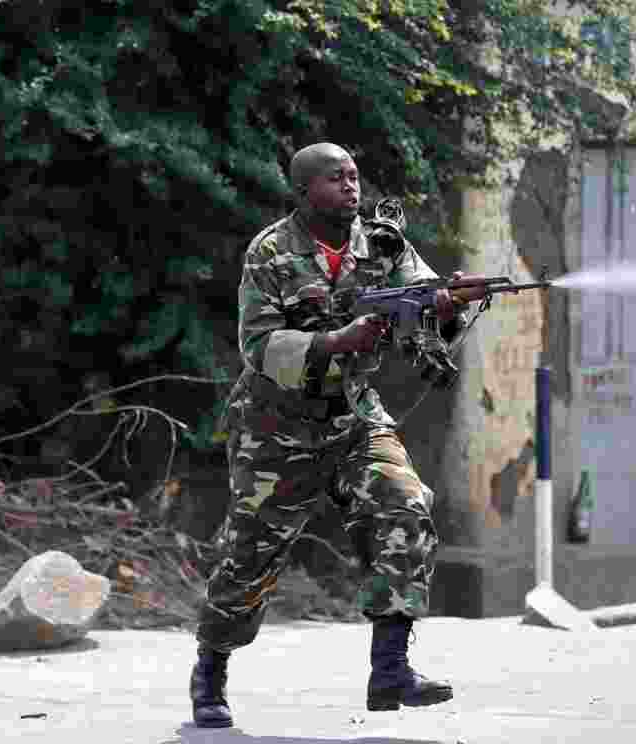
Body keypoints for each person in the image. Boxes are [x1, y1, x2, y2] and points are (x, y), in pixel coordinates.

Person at [189, 142, 486, 728]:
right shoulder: (270, 252)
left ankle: (391, 668)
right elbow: (258, 344)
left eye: (355, 175)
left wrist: (448, 303)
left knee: (407, 504)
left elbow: (422, 306)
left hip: (354, 415)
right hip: (276, 427)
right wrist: (333, 342)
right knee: (249, 556)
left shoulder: (382, 244)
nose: (351, 187)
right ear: (303, 192)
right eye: (335, 178)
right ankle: (211, 670)